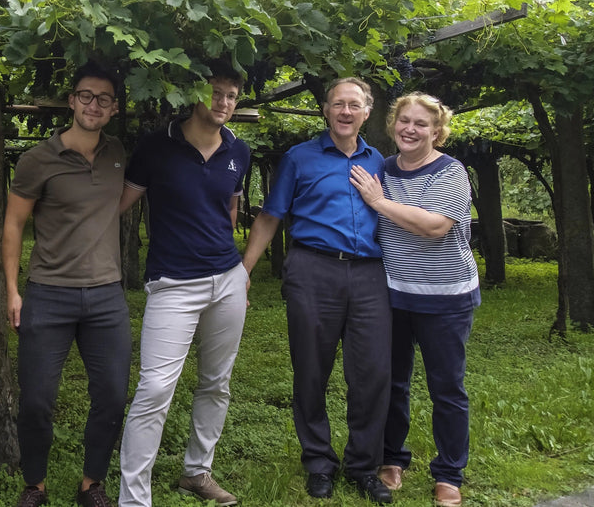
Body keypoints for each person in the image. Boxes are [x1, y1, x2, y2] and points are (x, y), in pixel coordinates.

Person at [241, 76, 393, 503]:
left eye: (355, 105)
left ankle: (364, 466)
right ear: (325, 110)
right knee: (311, 370)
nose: (346, 112)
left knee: (373, 373)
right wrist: (244, 269)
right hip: (312, 270)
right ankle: (319, 464)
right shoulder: (298, 158)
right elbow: (271, 216)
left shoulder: (379, 161)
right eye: (338, 104)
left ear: (367, 111)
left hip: (369, 274)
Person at [117, 63, 251, 507]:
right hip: (173, 283)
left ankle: (197, 471)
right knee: (155, 388)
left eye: (232, 95)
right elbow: (120, 204)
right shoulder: (157, 146)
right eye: (216, 92)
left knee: (217, 381)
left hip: (227, 280)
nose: (224, 102)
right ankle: (134, 499)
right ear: (195, 92)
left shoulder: (239, 150)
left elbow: (229, 210)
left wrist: (240, 274)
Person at [2, 62, 132, 507]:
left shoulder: (118, 154)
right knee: (37, 400)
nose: (93, 105)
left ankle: (90, 484)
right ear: (72, 101)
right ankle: (34, 486)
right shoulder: (38, 159)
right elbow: (14, 224)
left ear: (113, 108)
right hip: (48, 294)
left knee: (113, 396)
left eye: (103, 99)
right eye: (86, 96)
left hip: (106, 296)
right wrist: (13, 290)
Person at [348, 93, 480, 507]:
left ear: (437, 132)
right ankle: (392, 458)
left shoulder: (450, 171)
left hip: (447, 298)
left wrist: (379, 202)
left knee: (447, 388)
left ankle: (449, 473)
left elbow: (436, 226)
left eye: (421, 124)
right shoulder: (382, 169)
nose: (410, 129)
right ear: (392, 126)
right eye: (404, 121)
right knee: (395, 383)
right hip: (394, 295)